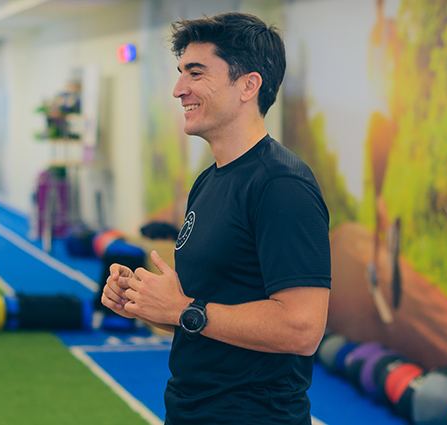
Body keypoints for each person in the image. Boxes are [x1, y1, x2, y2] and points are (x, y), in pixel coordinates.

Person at [101, 12, 331, 425]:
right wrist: (147, 302)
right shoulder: (209, 181)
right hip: (189, 409)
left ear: (248, 85)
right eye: (180, 74)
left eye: (196, 73)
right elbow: (206, 310)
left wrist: (182, 309)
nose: (178, 89)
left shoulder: (281, 184)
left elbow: (302, 329)